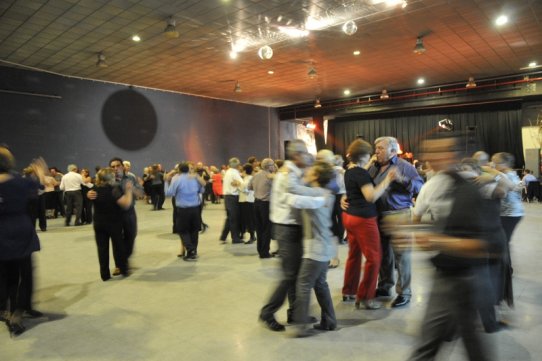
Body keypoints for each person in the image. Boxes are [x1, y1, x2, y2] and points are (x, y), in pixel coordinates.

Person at [401, 136, 495, 361]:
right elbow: (437, 222)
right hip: (446, 275)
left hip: (468, 279)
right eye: (428, 152)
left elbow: (481, 245)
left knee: (469, 344)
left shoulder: (469, 191)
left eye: (437, 152)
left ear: (452, 156)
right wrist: (409, 227)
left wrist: (436, 241)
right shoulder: (438, 185)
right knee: (430, 343)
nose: (430, 158)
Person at [259, 139, 326, 332]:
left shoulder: (296, 172)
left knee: (296, 274)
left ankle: (296, 313)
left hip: (294, 228)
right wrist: (320, 200)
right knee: (290, 275)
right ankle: (267, 312)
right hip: (286, 229)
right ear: (297, 156)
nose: (309, 157)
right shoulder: (286, 175)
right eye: (305, 153)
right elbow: (294, 199)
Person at [368, 136, 423, 308]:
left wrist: (402, 179)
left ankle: (404, 292)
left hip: (399, 215)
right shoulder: (373, 168)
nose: (376, 151)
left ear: (393, 150)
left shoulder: (404, 166)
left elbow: (420, 187)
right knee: (384, 255)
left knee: (402, 256)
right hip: (378, 215)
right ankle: (385, 286)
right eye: (376, 148)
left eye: (380, 148)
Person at [341, 139, 397, 309]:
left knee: (354, 255)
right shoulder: (361, 173)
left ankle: (349, 290)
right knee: (374, 258)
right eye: (371, 152)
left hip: (350, 218)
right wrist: (387, 179)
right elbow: (371, 196)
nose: (374, 154)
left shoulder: (349, 170)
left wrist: (369, 163)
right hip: (364, 220)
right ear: (364, 155)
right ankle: (365, 297)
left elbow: (359, 177)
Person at [288, 161, 337, 336]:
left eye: (311, 170)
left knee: (303, 284)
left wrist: (290, 170)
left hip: (315, 249)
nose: (307, 171)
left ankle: (300, 325)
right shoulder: (326, 193)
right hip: (323, 246)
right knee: (320, 284)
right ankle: (329, 321)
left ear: (316, 176)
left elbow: (293, 190)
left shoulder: (316, 192)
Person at [0, 147, 44, 336]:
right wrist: (40, 173)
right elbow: (39, 188)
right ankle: (20, 310)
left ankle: (5, 308)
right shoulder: (19, 181)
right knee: (24, 273)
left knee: (3, 272)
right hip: (21, 229)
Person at [91, 168, 133, 281]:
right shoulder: (114, 189)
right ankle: (123, 269)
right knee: (119, 246)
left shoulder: (94, 189)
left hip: (98, 222)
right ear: (111, 177)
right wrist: (129, 190)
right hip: (113, 222)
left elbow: (90, 197)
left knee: (102, 249)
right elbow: (126, 204)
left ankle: (104, 275)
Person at [165, 162, 205, 261]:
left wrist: (166, 182)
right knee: (194, 230)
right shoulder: (195, 178)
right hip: (195, 208)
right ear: (188, 169)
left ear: (179, 170)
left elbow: (169, 193)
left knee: (182, 230)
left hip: (183, 209)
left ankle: (190, 249)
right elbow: (202, 190)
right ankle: (194, 251)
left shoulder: (176, 179)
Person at [249, 158, 275, 258]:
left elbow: (249, 187)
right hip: (266, 204)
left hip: (256, 203)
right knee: (266, 228)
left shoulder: (256, 175)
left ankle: (260, 250)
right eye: (273, 164)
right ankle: (265, 252)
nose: (274, 166)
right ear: (269, 166)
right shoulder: (270, 177)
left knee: (259, 228)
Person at [219, 157, 243, 244]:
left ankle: (223, 236)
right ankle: (235, 238)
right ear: (237, 165)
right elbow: (241, 184)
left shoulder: (228, 172)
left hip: (227, 197)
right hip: (233, 197)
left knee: (230, 218)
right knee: (234, 218)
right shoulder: (235, 173)